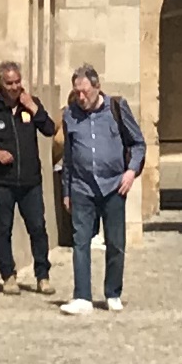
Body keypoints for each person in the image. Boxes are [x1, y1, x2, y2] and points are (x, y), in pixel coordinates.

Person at [57, 67, 145, 315]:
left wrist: (131, 172)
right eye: (77, 93)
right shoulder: (70, 116)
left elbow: (138, 143)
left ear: (97, 87)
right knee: (80, 241)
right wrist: (66, 190)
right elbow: (69, 157)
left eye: (84, 92)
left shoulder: (117, 108)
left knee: (115, 242)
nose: (81, 97)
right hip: (82, 186)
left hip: (114, 185)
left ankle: (113, 292)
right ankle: (82, 296)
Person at [0, 61, 55, 293]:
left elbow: (49, 129)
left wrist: (33, 108)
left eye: (18, 82)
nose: (15, 87)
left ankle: (43, 275)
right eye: (10, 83)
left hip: (30, 181)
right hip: (2, 182)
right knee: (3, 228)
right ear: (1, 83)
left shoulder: (31, 105)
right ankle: (8, 275)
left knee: (38, 227)